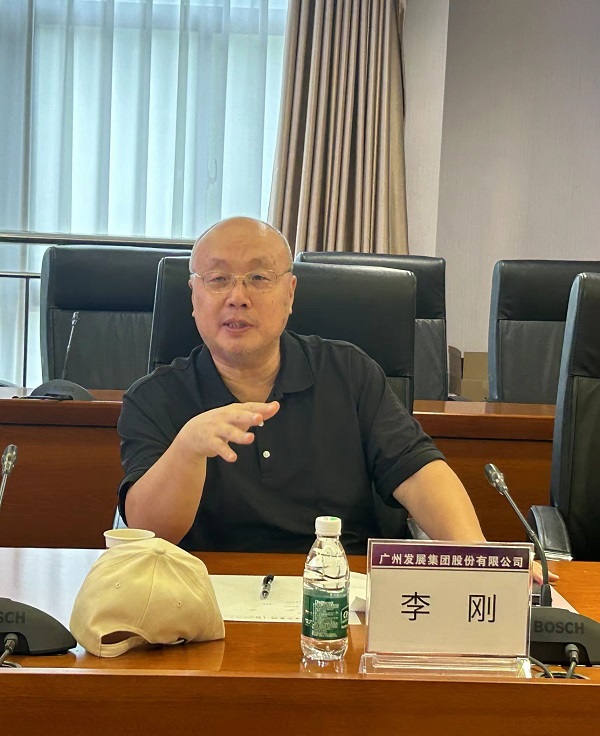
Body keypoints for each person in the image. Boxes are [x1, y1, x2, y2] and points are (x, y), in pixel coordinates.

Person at [117, 217, 551, 582]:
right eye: (218, 279)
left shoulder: (349, 373)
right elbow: (149, 533)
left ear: (290, 294)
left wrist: (476, 556)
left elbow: (419, 472)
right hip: (207, 599)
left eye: (259, 278)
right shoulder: (153, 398)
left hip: (344, 595)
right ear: (194, 298)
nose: (237, 297)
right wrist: (188, 449)